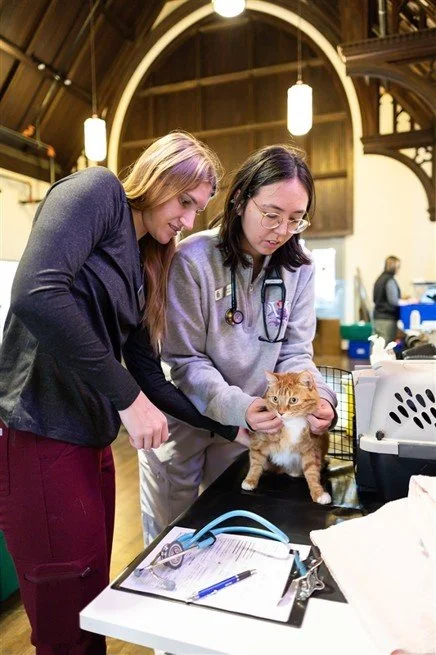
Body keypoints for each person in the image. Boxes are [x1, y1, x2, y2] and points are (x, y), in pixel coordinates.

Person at [0, 131, 243, 655]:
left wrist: (230, 425)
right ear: (158, 176)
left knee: (92, 601)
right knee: (65, 620)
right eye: (185, 201)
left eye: (199, 209)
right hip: (38, 430)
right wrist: (128, 401)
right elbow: (36, 293)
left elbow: (149, 376)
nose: (189, 219)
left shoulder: (143, 263)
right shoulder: (97, 193)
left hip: (88, 440)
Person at [137, 144, 337, 546]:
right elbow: (185, 360)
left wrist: (322, 399)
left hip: (248, 423)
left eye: (295, 220)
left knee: (228, 524)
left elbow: (297, 352)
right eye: (272, 215)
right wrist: (238, 406)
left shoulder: (300, 269)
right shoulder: (192, 259)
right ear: (241, 200)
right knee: (168, 535)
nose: (282, 231)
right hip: (185, 419)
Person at [372, 255, 401, 344]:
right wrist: (408, 301)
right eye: (398, 267)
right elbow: (394, 301)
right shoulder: (389, 280)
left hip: (378, 317)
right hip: (387, 319)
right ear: (394, 267)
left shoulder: (380, 278)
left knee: (377, 346)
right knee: (385, 347)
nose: (399, 269)